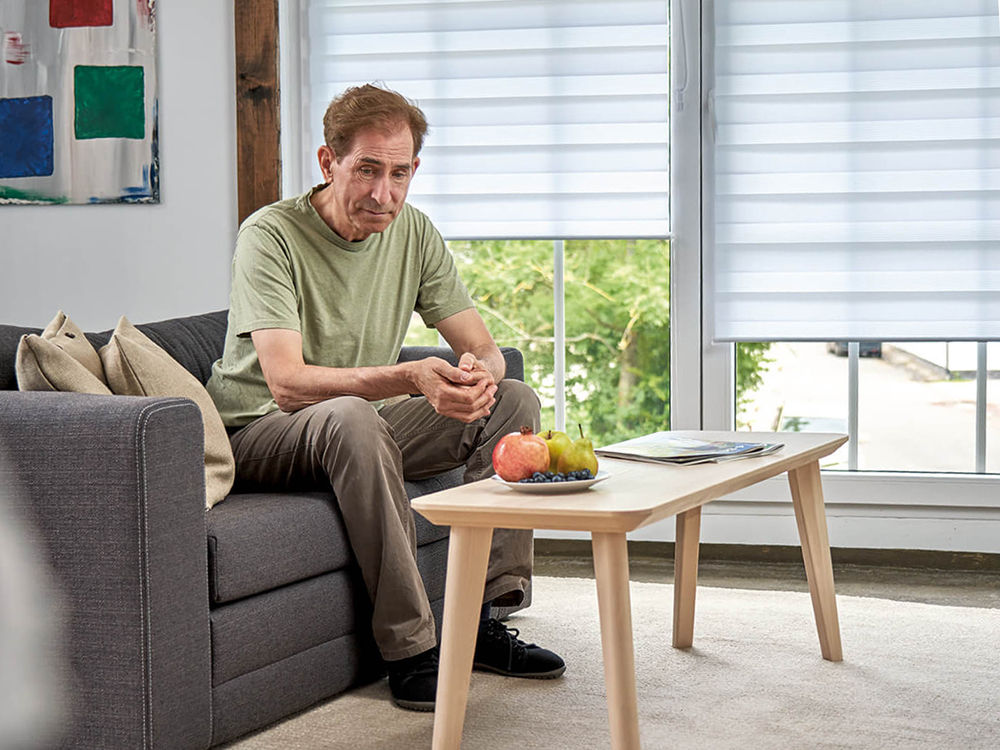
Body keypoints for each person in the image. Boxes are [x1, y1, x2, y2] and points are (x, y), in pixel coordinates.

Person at [206, 83, 564, 711]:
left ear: (414, 170)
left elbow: (483, 345)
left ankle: (482, 622)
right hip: (258, 431)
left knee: (514, 400)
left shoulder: (415, 232)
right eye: (367, 170)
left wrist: (478, 376)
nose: (383, 193)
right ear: (328, 162)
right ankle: (411, 647)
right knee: (349, 418)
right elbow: (287, 383)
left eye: (399, 173)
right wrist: (412, 377)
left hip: (356, 427)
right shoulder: (270, 235)